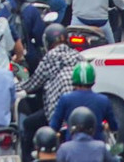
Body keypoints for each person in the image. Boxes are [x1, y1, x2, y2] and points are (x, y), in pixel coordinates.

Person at [21, 25, 82, 160]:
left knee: (28, 124)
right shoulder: (77, 56)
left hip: (58, 112)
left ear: (47, 42)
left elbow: (33, 84)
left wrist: (17, 86)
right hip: (81, 111)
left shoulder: (51, 57)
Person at [50, 63, 116, 135]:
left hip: (71, 141)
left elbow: (53, 127)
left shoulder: (65, 99)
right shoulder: (104, 100)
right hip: (97, 141)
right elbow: (114, 127)